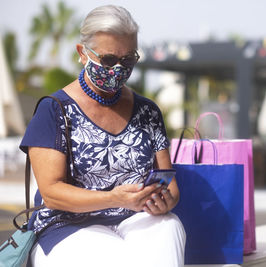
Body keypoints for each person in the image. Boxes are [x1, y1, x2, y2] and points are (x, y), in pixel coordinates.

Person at [20, 5, 186, 267]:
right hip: (68, 226)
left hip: (135, 219)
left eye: (128, 60)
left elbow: (170, 183)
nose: (118, 69)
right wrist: (114, 198)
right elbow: (52, 193)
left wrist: (164, 201)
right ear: (83, 54)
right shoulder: (54, 110)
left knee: (170, 226)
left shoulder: (148, 111)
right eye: (108, 60)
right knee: (121, 259)